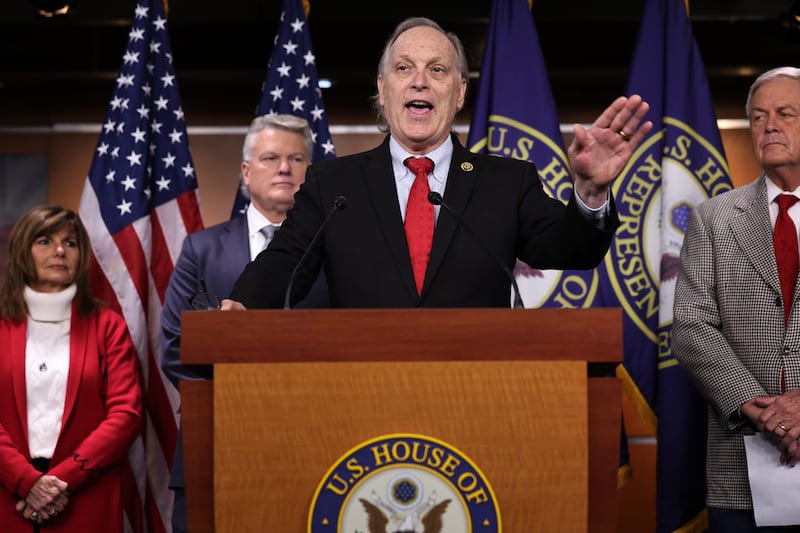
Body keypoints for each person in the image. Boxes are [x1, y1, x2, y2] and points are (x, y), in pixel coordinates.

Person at [222, 17, 651, 310]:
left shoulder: (506, 182)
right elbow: (285, 263)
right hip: (361, 391)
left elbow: (571, 249)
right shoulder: (333, 184)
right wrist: (241, 304)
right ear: (383, 88)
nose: (420, 80)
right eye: (404, 68)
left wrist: (592, 191)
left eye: (437, 69)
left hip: (474, 392)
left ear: (460, 92)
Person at [160, 113, 329, 532]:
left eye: (297, 159)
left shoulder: (336, 255)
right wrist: (248, 397)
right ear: (246, 171)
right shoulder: (201, 249)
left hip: (316, 443)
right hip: (217, 441)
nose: (285, 168)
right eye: (271, 158)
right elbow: (177, 349)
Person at [672, 66, 800, 532]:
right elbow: (690, 327)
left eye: (785, 113)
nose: (770, 126)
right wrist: (760, 409)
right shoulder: (713, 218)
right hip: (741, 463)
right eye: (759, 117)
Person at [0, 204, 142, 533]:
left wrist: (59, 481)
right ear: (23, 251)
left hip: (84, 492)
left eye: (70, 242)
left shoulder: (108, 326)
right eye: (45, 241)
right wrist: (25, 481)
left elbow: (126, 414)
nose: (60, 250)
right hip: (7, 492)